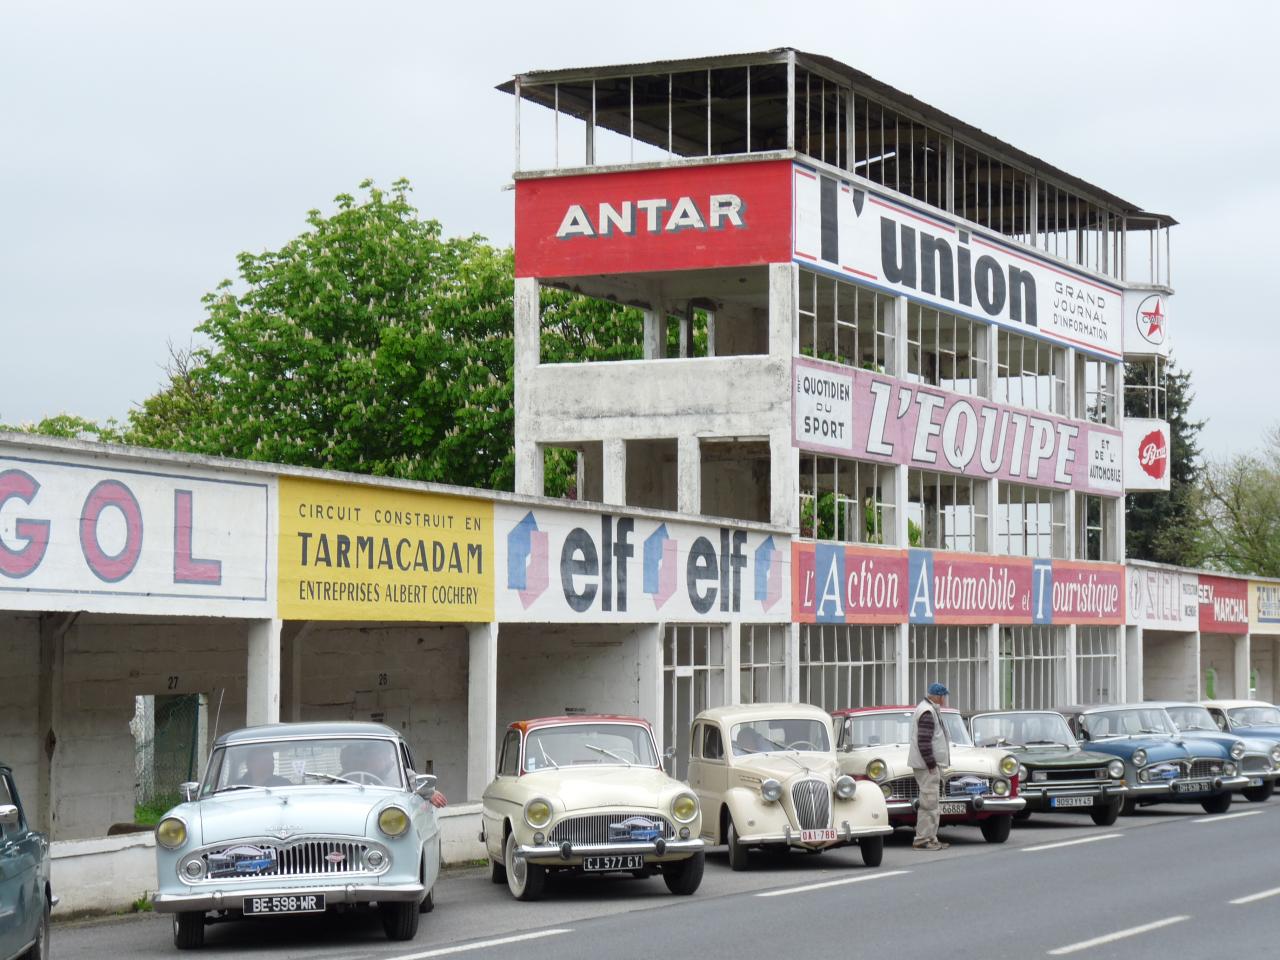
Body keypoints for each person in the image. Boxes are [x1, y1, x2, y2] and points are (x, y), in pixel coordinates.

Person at [908, 682, 951, 852]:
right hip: (927, 766)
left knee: (932, 802)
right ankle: (923, 839)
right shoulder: (927, 711)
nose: (944, 699)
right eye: (943, 696)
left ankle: (931, 838)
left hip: (927, 765)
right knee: (929, 803)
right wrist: (931, 763)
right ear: (938, 696)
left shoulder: (928, 709)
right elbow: (924, 741)